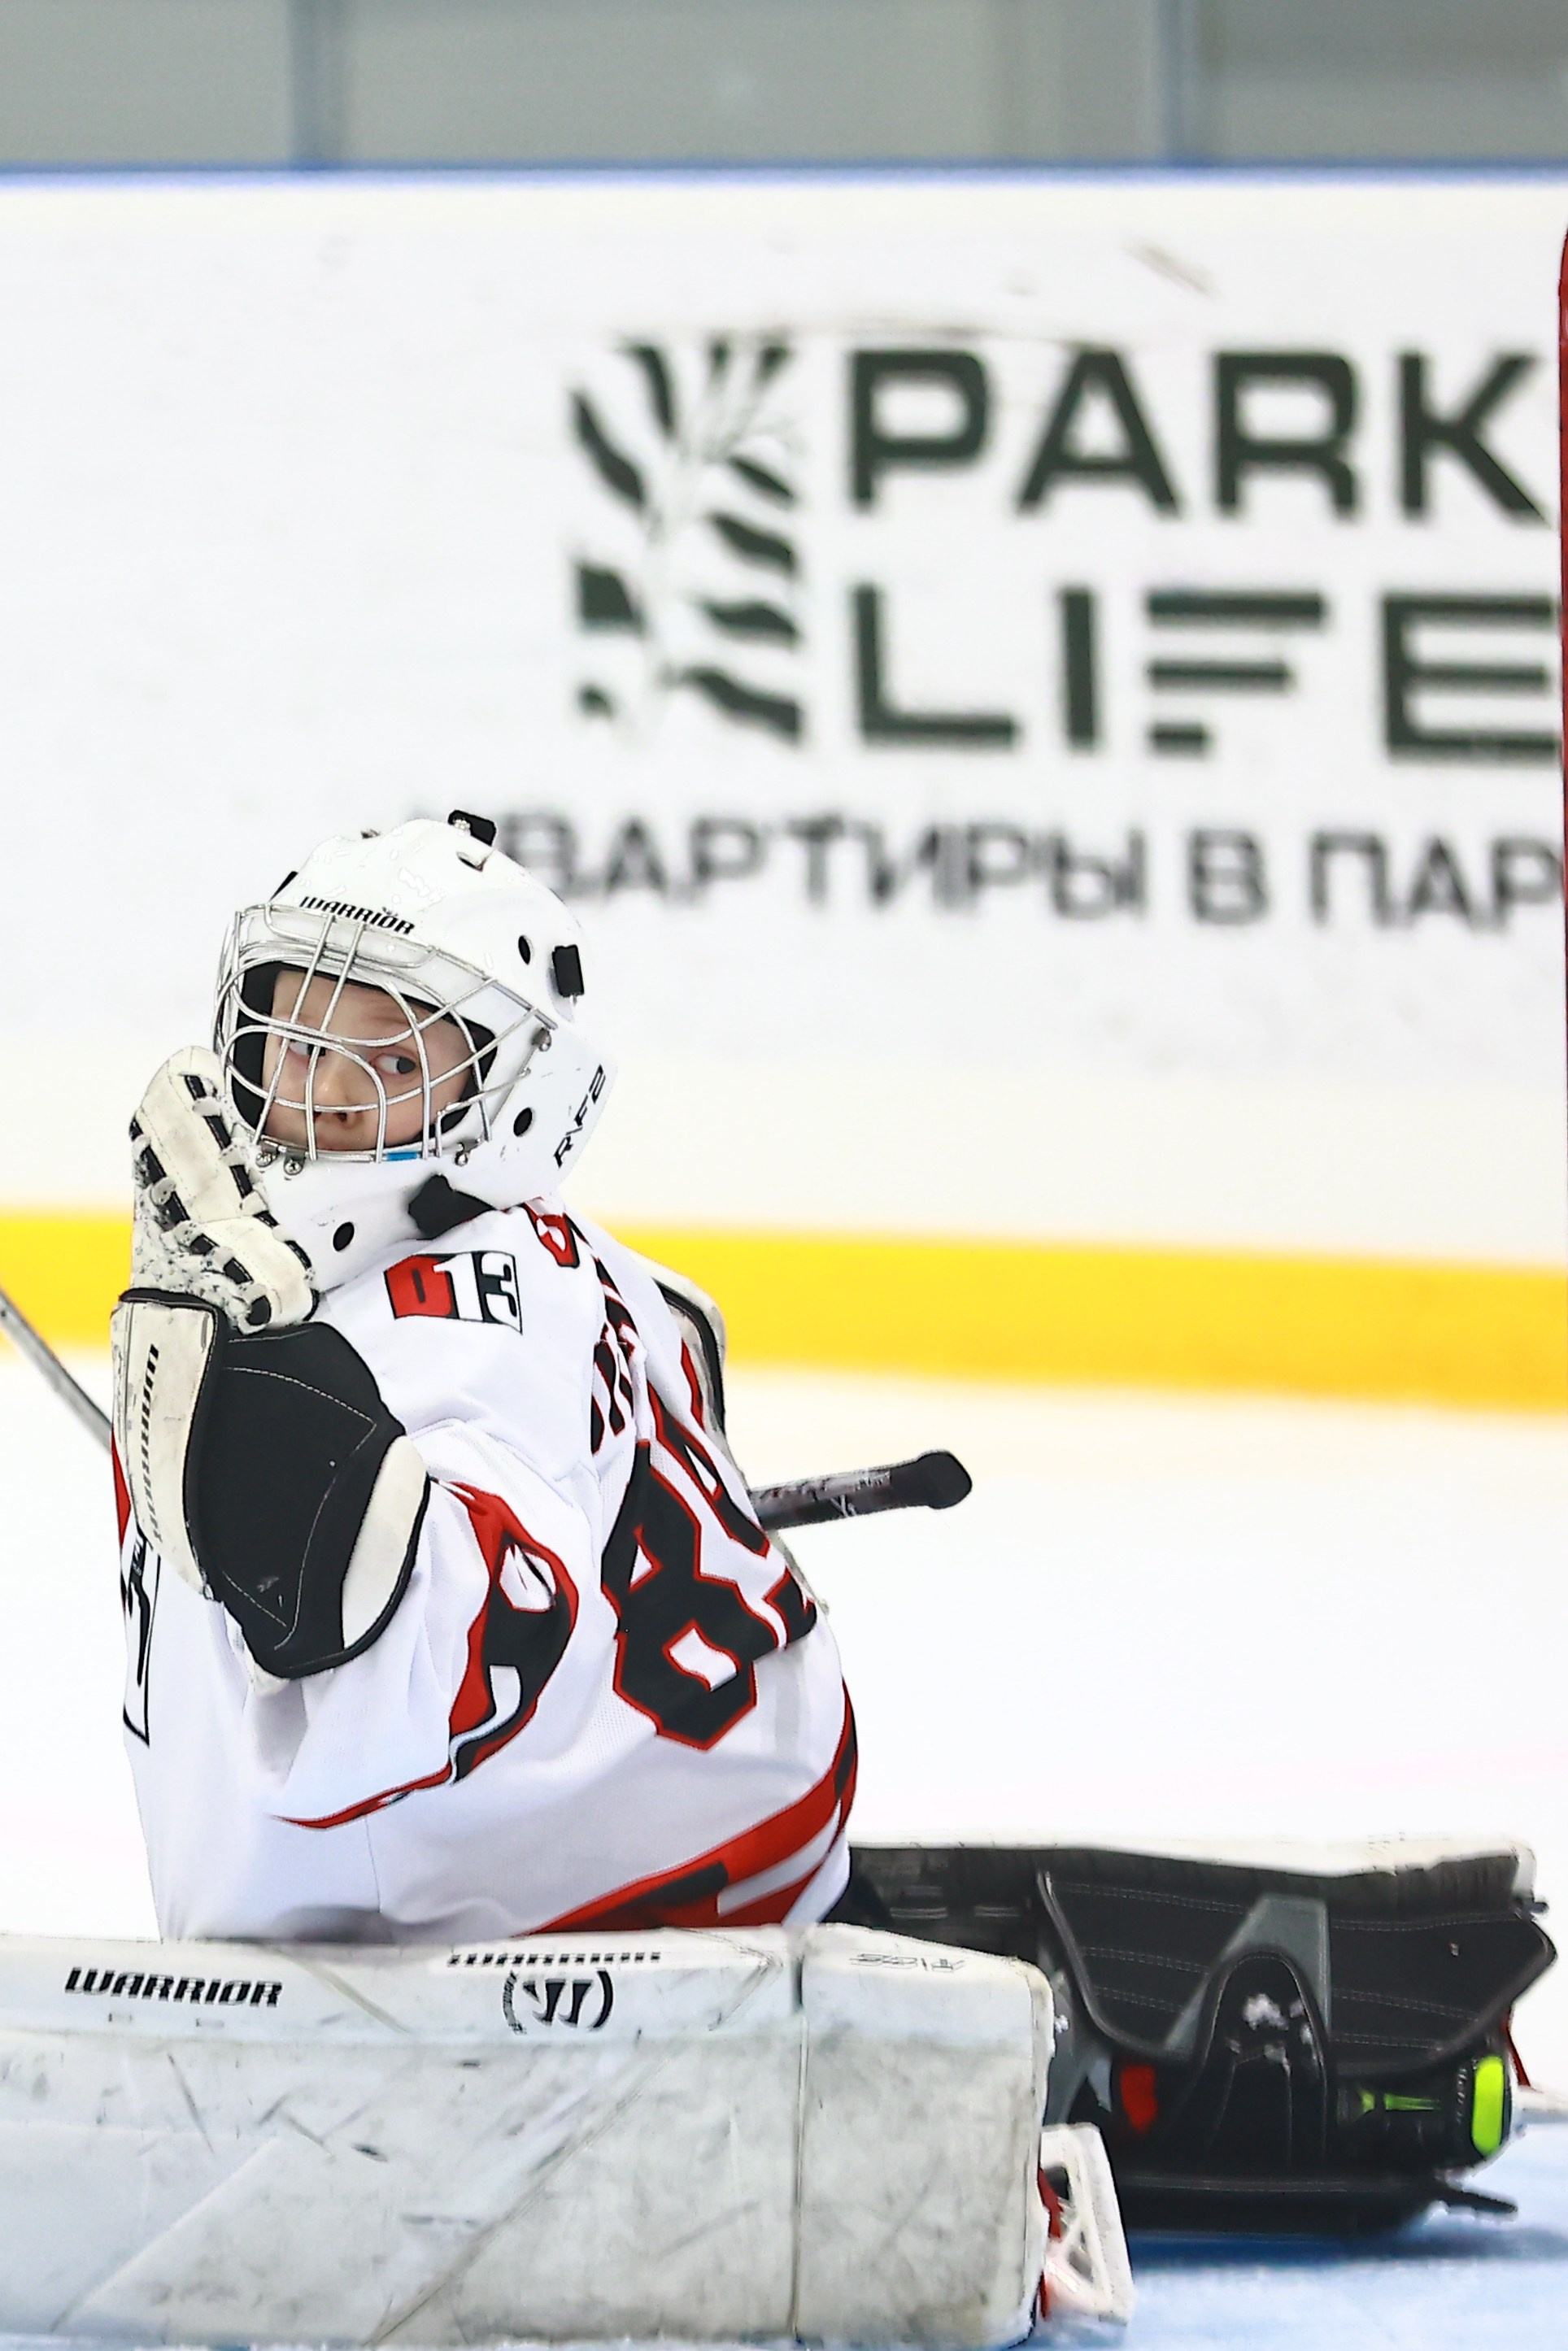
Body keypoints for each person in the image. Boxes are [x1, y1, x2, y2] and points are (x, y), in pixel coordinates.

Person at [111, 812, 854, 1944]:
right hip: (726, 1806)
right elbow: (682, 1343)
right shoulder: (513, 1250)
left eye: (393, 1061)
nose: (323, 1096)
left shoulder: (469, 1319)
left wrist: (258, 1438)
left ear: (517, 1095)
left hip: (625, 1913)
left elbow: (436, 1669)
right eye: (293, 1041)